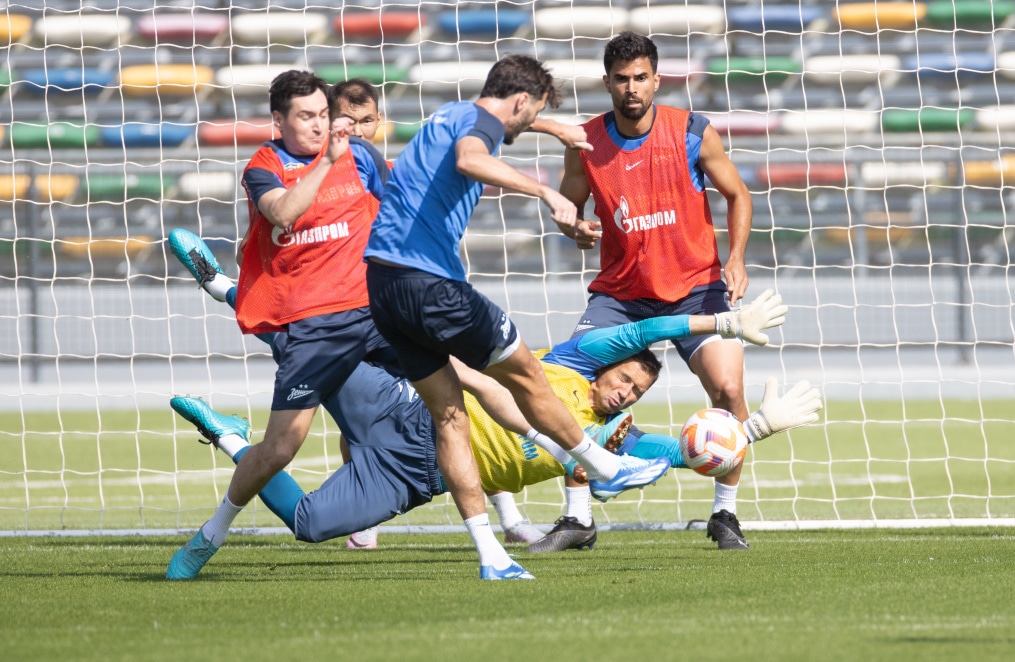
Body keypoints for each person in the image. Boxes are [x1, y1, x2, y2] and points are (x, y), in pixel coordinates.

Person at [169, 232, 817, 556]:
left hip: (417, 477)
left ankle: (227, 434)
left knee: (309, 526)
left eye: (636, 393)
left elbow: (681, 452)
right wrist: (723, 323)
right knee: (310, 348)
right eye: (624, 379)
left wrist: (755, 426)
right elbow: (649, 327)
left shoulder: (605, 441)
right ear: (607, 368)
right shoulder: (568, 361)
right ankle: (227, 287)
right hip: (415, 407)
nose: (624, 394)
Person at [361, 53, 675, 580]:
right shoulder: (476, 128)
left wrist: (551, 126)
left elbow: (496, 126)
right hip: (430, 283)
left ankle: (492, 556)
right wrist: (547, 190)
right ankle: (603, 469)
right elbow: (471, 158)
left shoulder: (451, 112)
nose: (526, 126)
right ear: (521, 100)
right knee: (530, 374)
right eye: (531, 115)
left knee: (450, 418)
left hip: (383, 286)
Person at [165, 70, 396, 581]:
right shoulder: (264, 166)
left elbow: (400, 205)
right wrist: (328, 162)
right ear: (278, 120)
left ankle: (505, 528)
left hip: (371, 312)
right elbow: (284, 215)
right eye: (306, 116)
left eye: (323, 115)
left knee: (458, 379)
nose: (319, 126)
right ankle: (212, 533)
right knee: (281, 448)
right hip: (305, 321)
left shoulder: (362, 156)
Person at [557, 32, 759, 548]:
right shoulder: (585, 144)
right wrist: (574, 228)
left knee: (730, 391)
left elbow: (738, 195)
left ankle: (725, 513)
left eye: (640, 77)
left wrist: (735, 259)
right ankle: (578, 518)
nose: (631, 88)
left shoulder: (692, 132)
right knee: (579, 387)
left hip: (696, 288)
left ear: (656, 79)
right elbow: (567, 208)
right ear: (607, 82)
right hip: (622, 295)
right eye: (621, 79)